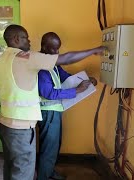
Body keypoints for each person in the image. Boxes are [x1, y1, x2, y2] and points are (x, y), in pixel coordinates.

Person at [0, 24, 105, 180]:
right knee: (23, 171)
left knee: (11, 166)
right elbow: (65, 59)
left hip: (4, 124)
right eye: (26, 37)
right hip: (21, 127)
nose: (29, 41)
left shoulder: (0, 62)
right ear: (16, 38)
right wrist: (94, 50)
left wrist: (2, 94)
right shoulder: (26, 58)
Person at [36, 32, 98, 180]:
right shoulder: (41, 67)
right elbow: (48, 93)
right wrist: (78, 90)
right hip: (48, 111)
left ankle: (49, 171)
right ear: (44, 47)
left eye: (58, 49)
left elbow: (67, 78)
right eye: (53, 49)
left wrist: (87, 80)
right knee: (49, 148)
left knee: (54, 146)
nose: (57, 52)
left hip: (55, 111)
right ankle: (43, 176)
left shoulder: (54, 64)